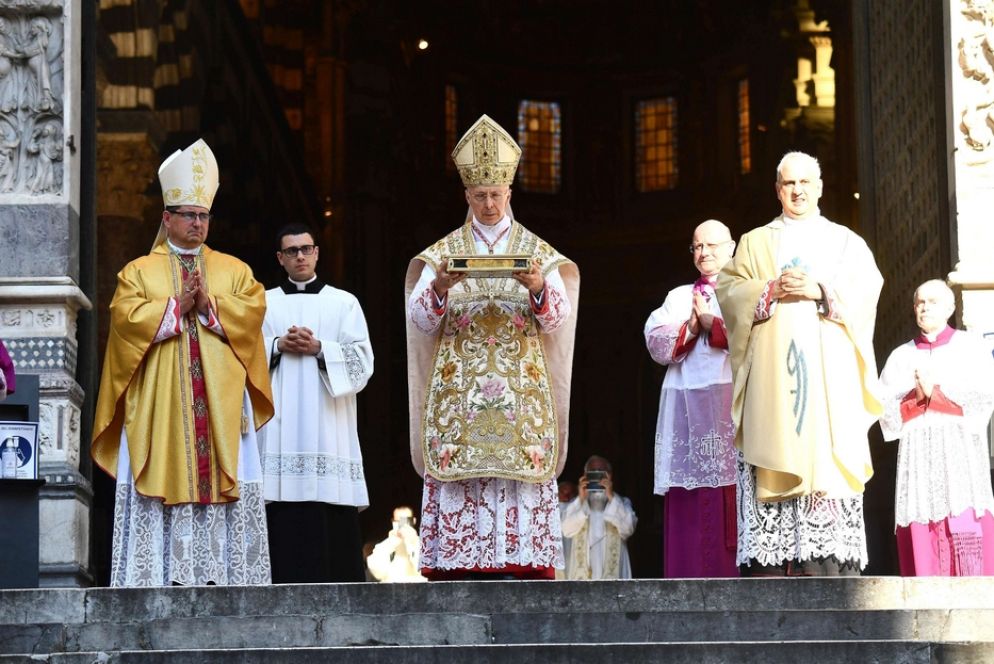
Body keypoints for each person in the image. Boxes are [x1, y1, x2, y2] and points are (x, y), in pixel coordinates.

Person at [92, 139, 274, 587]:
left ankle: (221, 575)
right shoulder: (138, 271)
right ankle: (158, 575)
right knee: (162, 470)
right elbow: (124, 320)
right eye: (189, 215)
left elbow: (252, 311)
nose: (198, 223)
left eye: (204, 215)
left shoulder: (233, 269)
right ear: (166, 218)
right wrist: (174, 309)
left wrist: (211, 306)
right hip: (161, 408)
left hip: (221, 408)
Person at [405, 114, 580, 580]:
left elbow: (560, 320)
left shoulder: (538, 252)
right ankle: (462, 565)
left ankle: (520, 561)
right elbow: (419, 320)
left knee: (518, 473)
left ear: (509, 195)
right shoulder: (443, 253)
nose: (487, 204)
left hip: (519, 394)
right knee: (462, 475)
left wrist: (540, 287)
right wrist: (439, 287)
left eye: (495, 195)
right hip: (459, 395)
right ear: (466, 196)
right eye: (479, 196)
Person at [715, 151, 883, 576]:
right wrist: (767, 291)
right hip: (773, 382)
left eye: (806, 182)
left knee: (823, 466)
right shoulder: (755, 242)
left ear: (820, 187)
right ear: (777, 190)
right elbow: (729, 289)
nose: (798, 190)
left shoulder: (845, 241)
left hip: (829, 381)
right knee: (773, 457)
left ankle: (825, 566)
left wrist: (821, 290)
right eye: (790, 183)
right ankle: (770, 571)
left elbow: (867, 290)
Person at [259, 223, 374, 583]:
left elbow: (362, 364)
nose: (300, 256)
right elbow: (240, 360)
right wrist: (276, 345)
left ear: (317, 252)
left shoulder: (344, 303)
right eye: (291, 251)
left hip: (329, 428)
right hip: (279, 427)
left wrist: (321, 349)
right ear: (280, 258)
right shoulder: (263, 302)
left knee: (329, 519)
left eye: (306, 249)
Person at [880, 279, 994, 576]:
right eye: (919, 302)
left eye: (932, 301)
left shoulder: (971, 347)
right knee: (923, 534)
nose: (925, 307)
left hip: (960, 460)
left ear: (950, 308)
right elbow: (884, 413)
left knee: (964, 520)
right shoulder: (900, 356)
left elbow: (984, 397)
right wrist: (915, 397)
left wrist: (937, 392)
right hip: (918, 463)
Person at [645, 219, 738, 578]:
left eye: (712, 245)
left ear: (731, 247)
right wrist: (692, 327)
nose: (704, 253)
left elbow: (758, 333)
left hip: (731, 402)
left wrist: (714, 324)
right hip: (685, 409)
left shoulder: (744, 290)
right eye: (697, 247)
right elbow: (655, 338)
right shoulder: (679, 296)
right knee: (689, 491)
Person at [561, 455, 637, 579]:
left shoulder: (621, 502)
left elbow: (628, 529)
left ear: (610, 476)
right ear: (585, 475)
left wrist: (610, 495)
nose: (597, 477)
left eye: (601, 473)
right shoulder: (576, 503)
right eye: (592, 473)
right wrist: (581, 498)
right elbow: (566, 530)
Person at [366, 506, 427, 583]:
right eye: (398, 521)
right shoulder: (386, 545)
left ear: (414, 521)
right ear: (393, 522)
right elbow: (377, 572)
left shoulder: (423, 545)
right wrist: (390, 544)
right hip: (391, 588)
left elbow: (425, 571)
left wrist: (413, 543)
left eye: (406, 520)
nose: (402, 524)